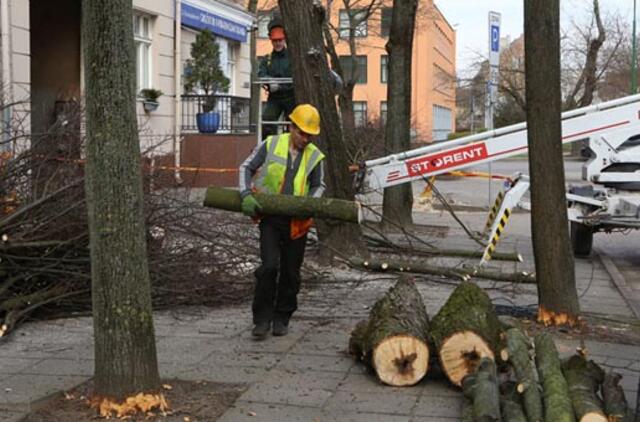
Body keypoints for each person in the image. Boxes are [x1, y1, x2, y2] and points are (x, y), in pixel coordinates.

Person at [239, 104, 326, 340]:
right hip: (270, 218)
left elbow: (319, 185)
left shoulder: (315, 156)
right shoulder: (271, 144)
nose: (306, 138)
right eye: (302, 133)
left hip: (297, 224)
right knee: (268, 268)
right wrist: (246, 194)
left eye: (310, 135)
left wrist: (309, 205)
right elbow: (246, 167)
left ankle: (282, 317)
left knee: (291, 273)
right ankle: (261, 320)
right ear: (292, 127)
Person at [258, 16, 295, 140]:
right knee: (267, 120)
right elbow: (261, 74)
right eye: (275, 41)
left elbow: (297, 75)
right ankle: (269, 147)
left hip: (291, 97)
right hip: (274, 97)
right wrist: (269, 80)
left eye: (280, 40)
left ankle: (291, 150)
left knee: (293, 123)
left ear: (284, 40)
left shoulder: (293, 57)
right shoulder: (267, 59)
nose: (278, 43)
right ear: (271, 40)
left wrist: (282, 85)